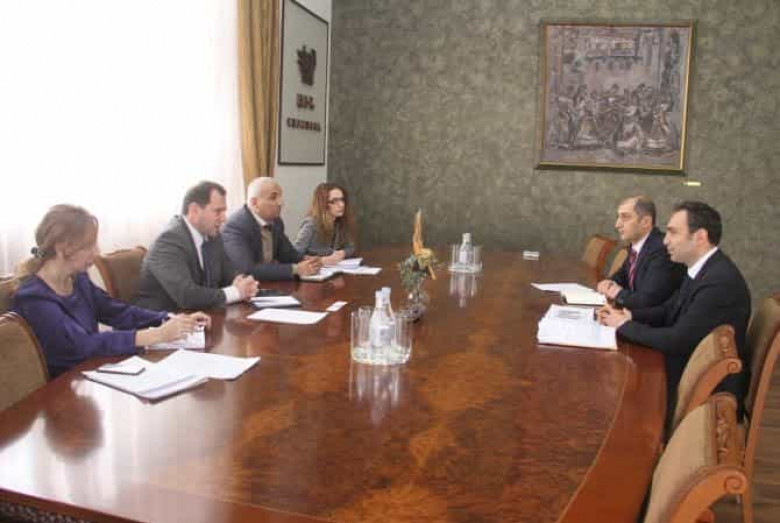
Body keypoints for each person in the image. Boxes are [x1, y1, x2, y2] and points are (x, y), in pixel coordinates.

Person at [12, 204, 211, 378]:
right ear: (63, 249)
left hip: (89, 376)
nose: (97, 252)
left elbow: (117, 311)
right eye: (89, 245)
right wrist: (155, 335)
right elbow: (80, 345)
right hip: (60, 392)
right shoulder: (33, 298)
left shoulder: (78, 280)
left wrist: (170, 319)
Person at [599, 201, 751, 422]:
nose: (665, 240)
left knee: (615, 395)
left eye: (673, 232)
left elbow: (677, 340)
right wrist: (630, 316)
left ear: (700, 237)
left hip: (705, 395)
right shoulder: (703, 268)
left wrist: (623, 326)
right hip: (687, 368)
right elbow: (669, 310)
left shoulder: (718, 283)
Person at [135, 181, 258, 311]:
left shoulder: (213, 236)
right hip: (164, 318)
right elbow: (186, 295)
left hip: (200, 315)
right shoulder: (169, 241)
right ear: (194, 210)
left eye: (224, 211)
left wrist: (244, 284)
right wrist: (236, 292)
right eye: (218, 211)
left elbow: (229, 275)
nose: (224, 218)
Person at [222, 177, 321, 280]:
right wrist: (296, 269)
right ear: (254, 203)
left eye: (280, 197)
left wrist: (307, 260)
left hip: (269, 283)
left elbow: (287, 254)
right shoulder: (236, 226)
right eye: (273, 198)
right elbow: (248, 270)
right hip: (243, 285)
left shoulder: (276, 221)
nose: (280, 203)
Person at [596, 196, 684, 309]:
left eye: (625, 217)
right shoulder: (636, 246)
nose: (617, 225)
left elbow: (647, 301)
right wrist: (608, 283)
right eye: (618, 217)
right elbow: (623, 276)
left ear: (645, 222)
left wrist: (616, 292)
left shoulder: (662, 250)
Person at [293, 182, 356, 266]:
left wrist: (342, 253)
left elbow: (350, 247)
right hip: (312, 270)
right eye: (334, 201)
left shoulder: (339, 222)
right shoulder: (311, 224)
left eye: (342, 200)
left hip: (333, 269)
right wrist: (320, 260)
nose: (341, 205)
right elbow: (294, 255)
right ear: (323, 204)